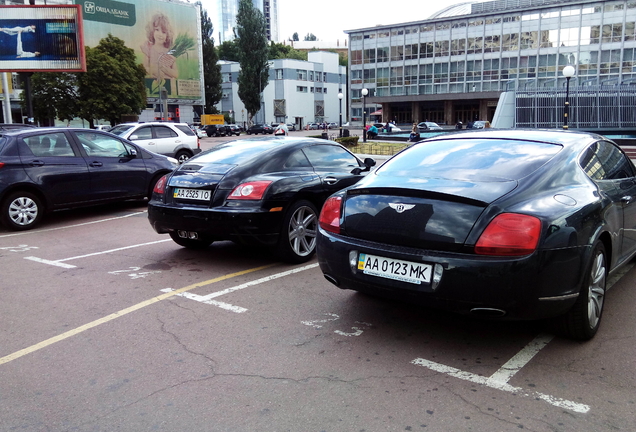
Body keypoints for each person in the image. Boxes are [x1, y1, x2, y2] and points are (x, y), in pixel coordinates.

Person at [140, 13, 178, 85]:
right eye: (157, 30)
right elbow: (144, 68)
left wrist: (165, 69)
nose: (160, 34)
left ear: (167, 35)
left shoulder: (169, 52)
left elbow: (176, 74)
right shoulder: (148, 47)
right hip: (152, 84)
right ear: (152, 31)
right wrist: (154, 71)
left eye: (163, 32)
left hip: (168, 86)